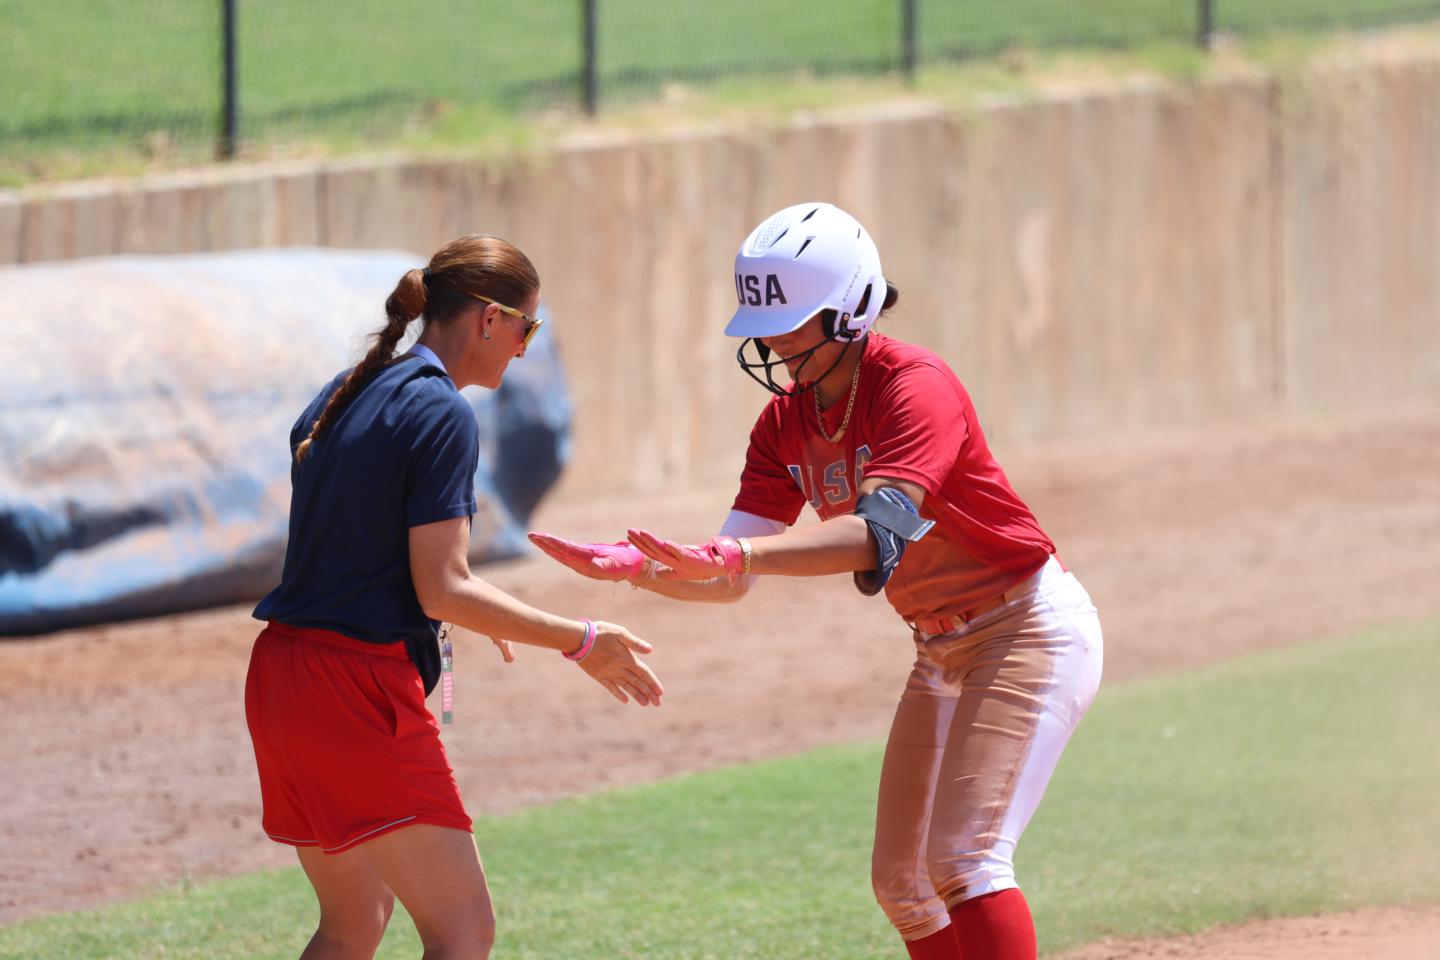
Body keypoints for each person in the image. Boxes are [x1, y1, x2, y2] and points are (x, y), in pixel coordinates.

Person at [529, 203, 1102, 960]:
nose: (774, 341)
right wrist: (642, 569)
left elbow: (875, 533)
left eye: (795, 323)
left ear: (854, 309)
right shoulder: (783, 425)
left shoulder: (914, 385)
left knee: (965, 861)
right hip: (939, 648)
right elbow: (728, 575)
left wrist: (736, 557)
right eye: (768, 325)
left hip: (1024, 629)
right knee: (902, 884)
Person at [245, 233, 664, 960]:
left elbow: (372, 556)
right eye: (528, 328)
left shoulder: (347, 388)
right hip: (354, 689)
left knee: (353, 922)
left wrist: (461, 606)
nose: (524, 350)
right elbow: (442, 588)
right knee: (463, 930)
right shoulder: (443, 412)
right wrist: (582, 641)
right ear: (489, 319)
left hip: (282, 677)